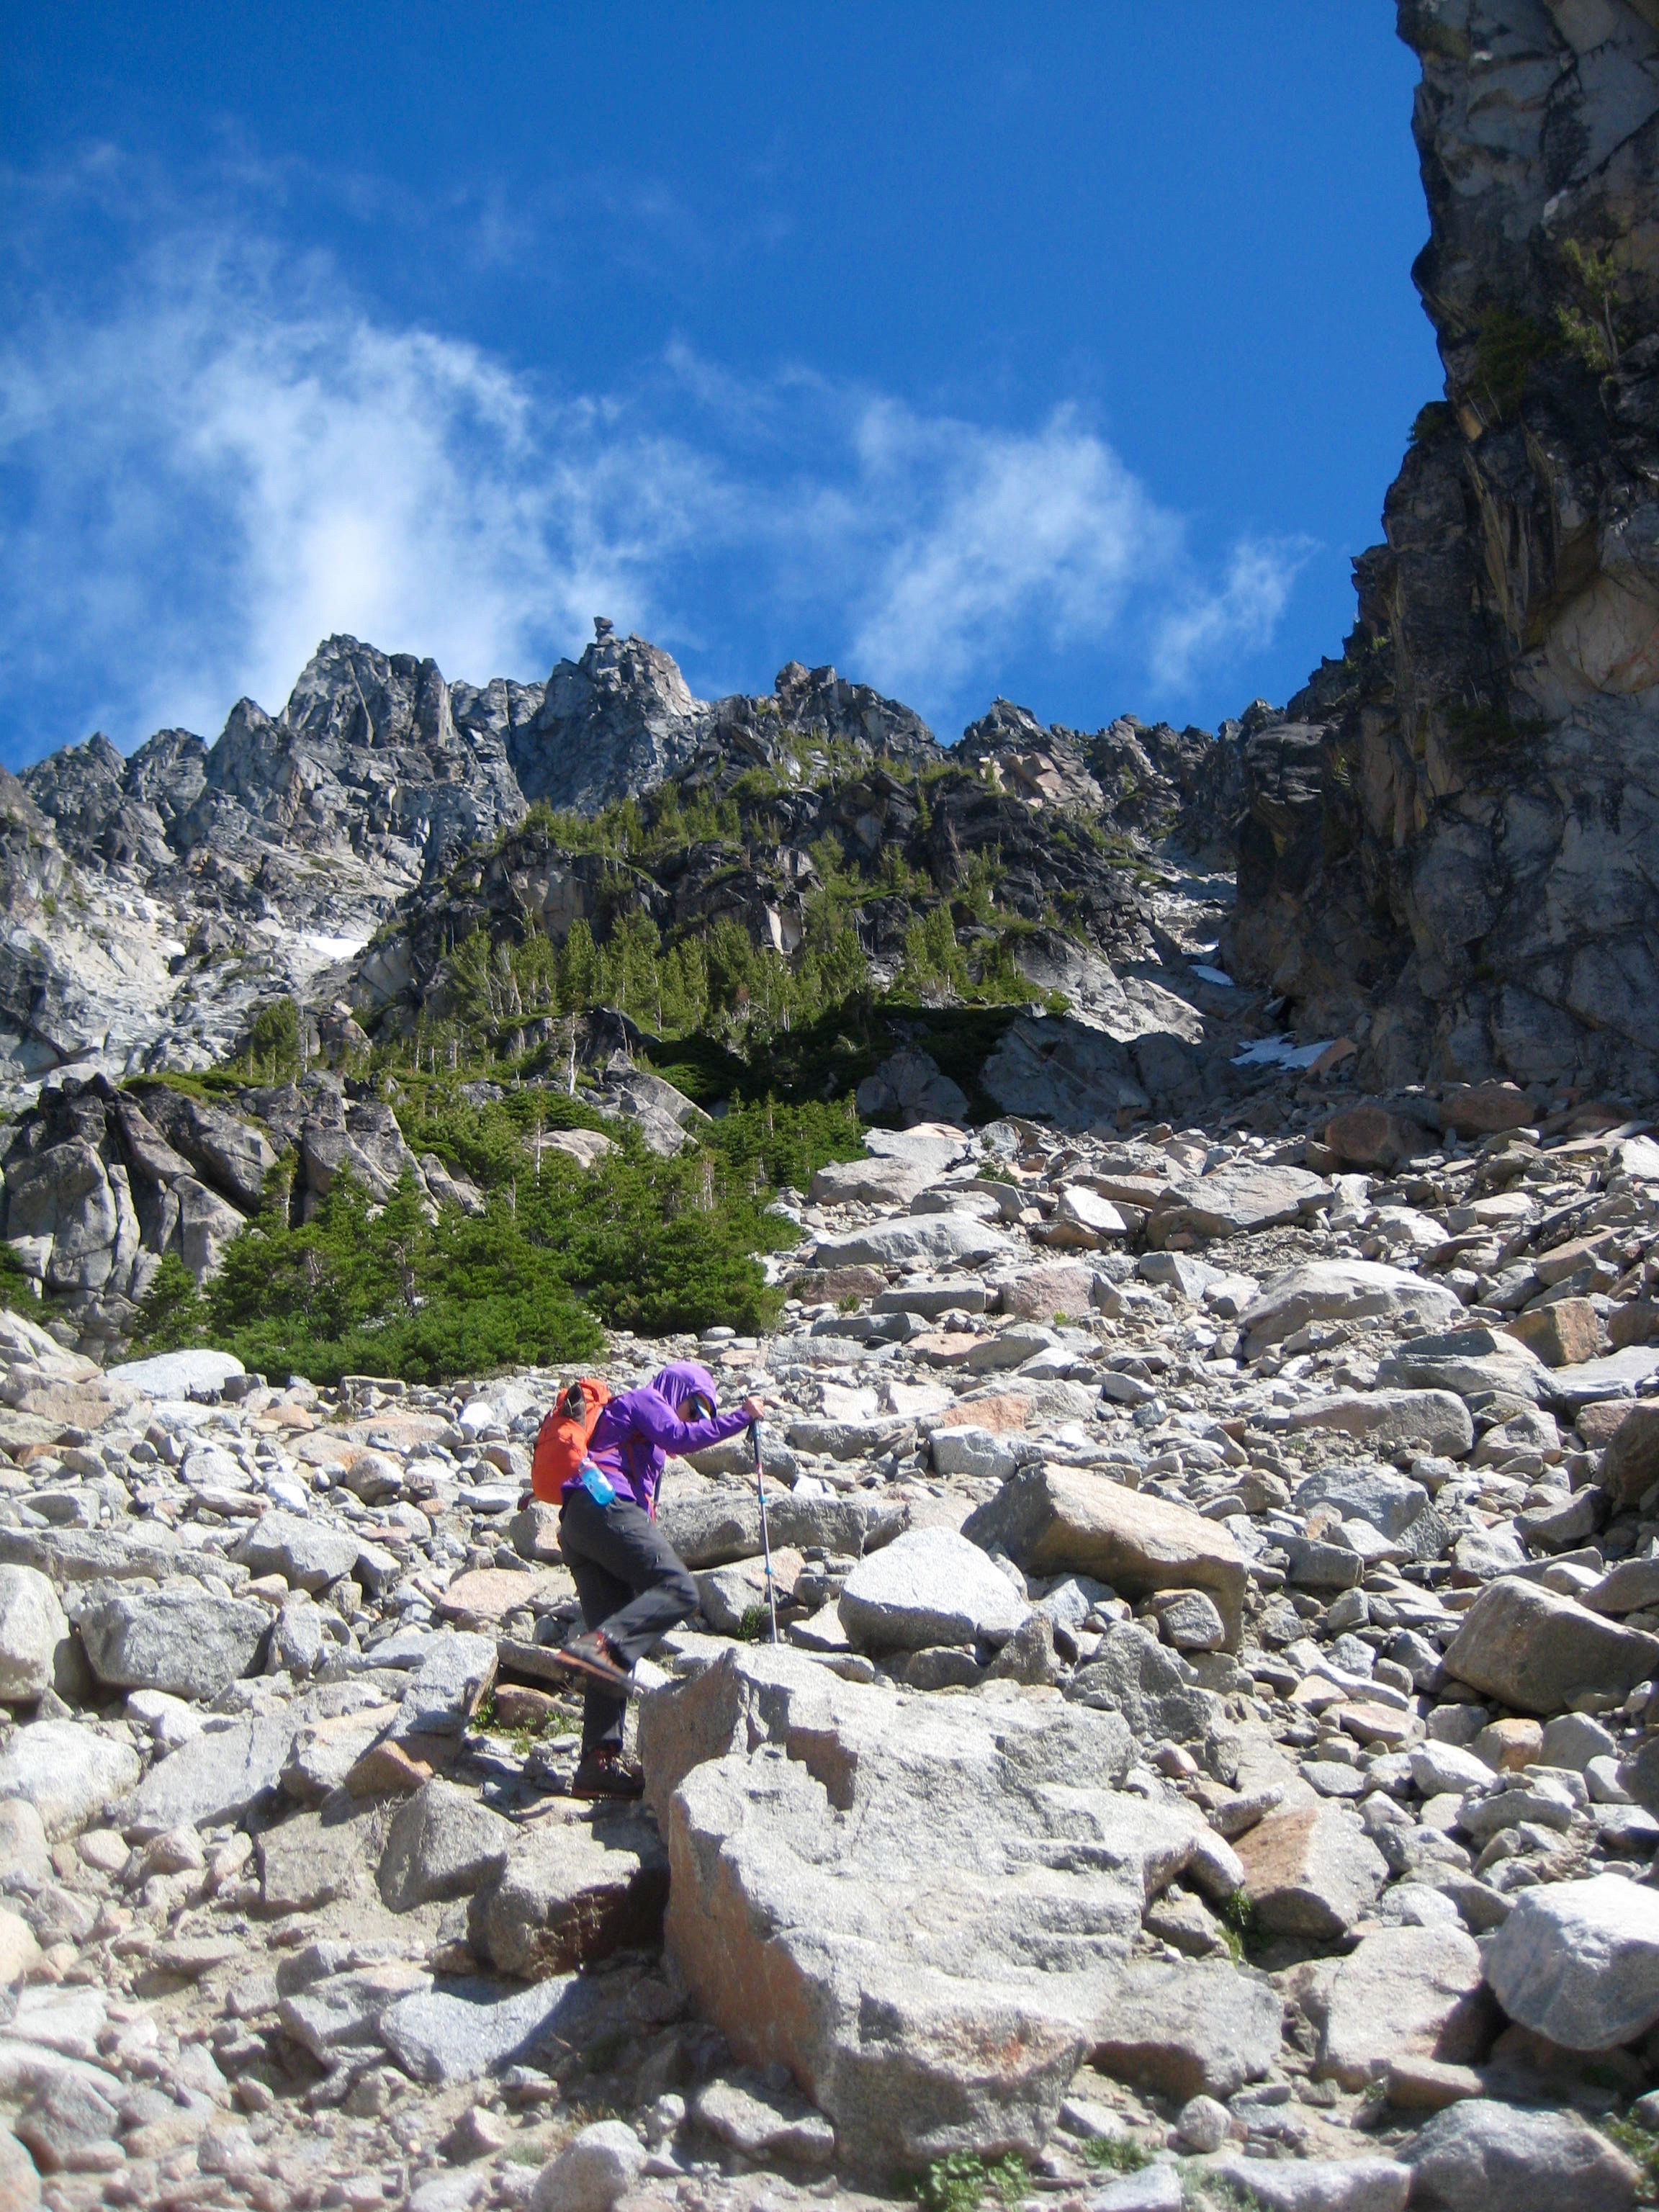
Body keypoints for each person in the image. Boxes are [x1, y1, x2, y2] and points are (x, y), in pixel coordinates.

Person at [554, 1360, 763, 1799]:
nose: (696, 1418)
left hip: (581, 1525)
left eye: (705, 1414)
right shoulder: (647, 1399)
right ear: (679, 1389)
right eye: (697, 1407)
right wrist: (740, 1416)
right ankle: (596, 1650)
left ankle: (597, 1763)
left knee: (613, 1639)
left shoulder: (637, 1431)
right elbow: (679, 1438)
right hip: (603, 1508)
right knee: (679, 1590)